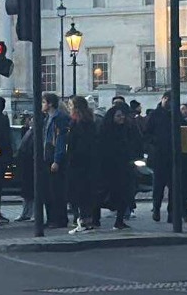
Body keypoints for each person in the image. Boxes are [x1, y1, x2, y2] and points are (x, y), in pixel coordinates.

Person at [96, 104, 139, 230]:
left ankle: (119, 221)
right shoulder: (105, 131)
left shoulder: (126, 129)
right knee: (102, 194)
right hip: (108, 167)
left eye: (123, 116)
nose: (122, 118)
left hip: (123, 167)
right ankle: (95, 219)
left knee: (124, 194)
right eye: (118, 116)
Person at [65, 96, 97, 233]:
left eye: (71, 105)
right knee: (85, 194)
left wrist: (71, 157)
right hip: (88, 163)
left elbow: (74, 144)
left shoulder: (76, 123)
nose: (69, 108)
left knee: (77, 194)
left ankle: (82, 222)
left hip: (77, 163)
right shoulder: (90, 122)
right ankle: (87, 221)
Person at [41, 93, 70, 229]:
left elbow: (60, 140)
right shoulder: (47, 118)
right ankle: (51, 218)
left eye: (43, 102)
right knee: (48, 190)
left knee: (56, 190)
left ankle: (59, 219)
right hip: (47, 156)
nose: (42, 105)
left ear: (50, 104)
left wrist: (57, 160)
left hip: (53, 157)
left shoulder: (59, 118)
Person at [145, 92, 173, 222]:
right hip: (159, 155)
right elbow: (146, 134)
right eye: (166, 99)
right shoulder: (154, 115)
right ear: (163, 99)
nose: (168, 102)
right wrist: (155, 143)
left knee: (174, 186)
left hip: (172, 155)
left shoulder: (174, 114)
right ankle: (156, 208)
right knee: (158, 186)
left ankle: (172, 212)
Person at [15, 115, 35, 223]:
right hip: (25, 163)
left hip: (31, 164)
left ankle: (32, 213)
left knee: (32, 191)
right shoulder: (28, 131)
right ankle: (26, 212)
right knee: (26, 191)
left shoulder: (35, 132)